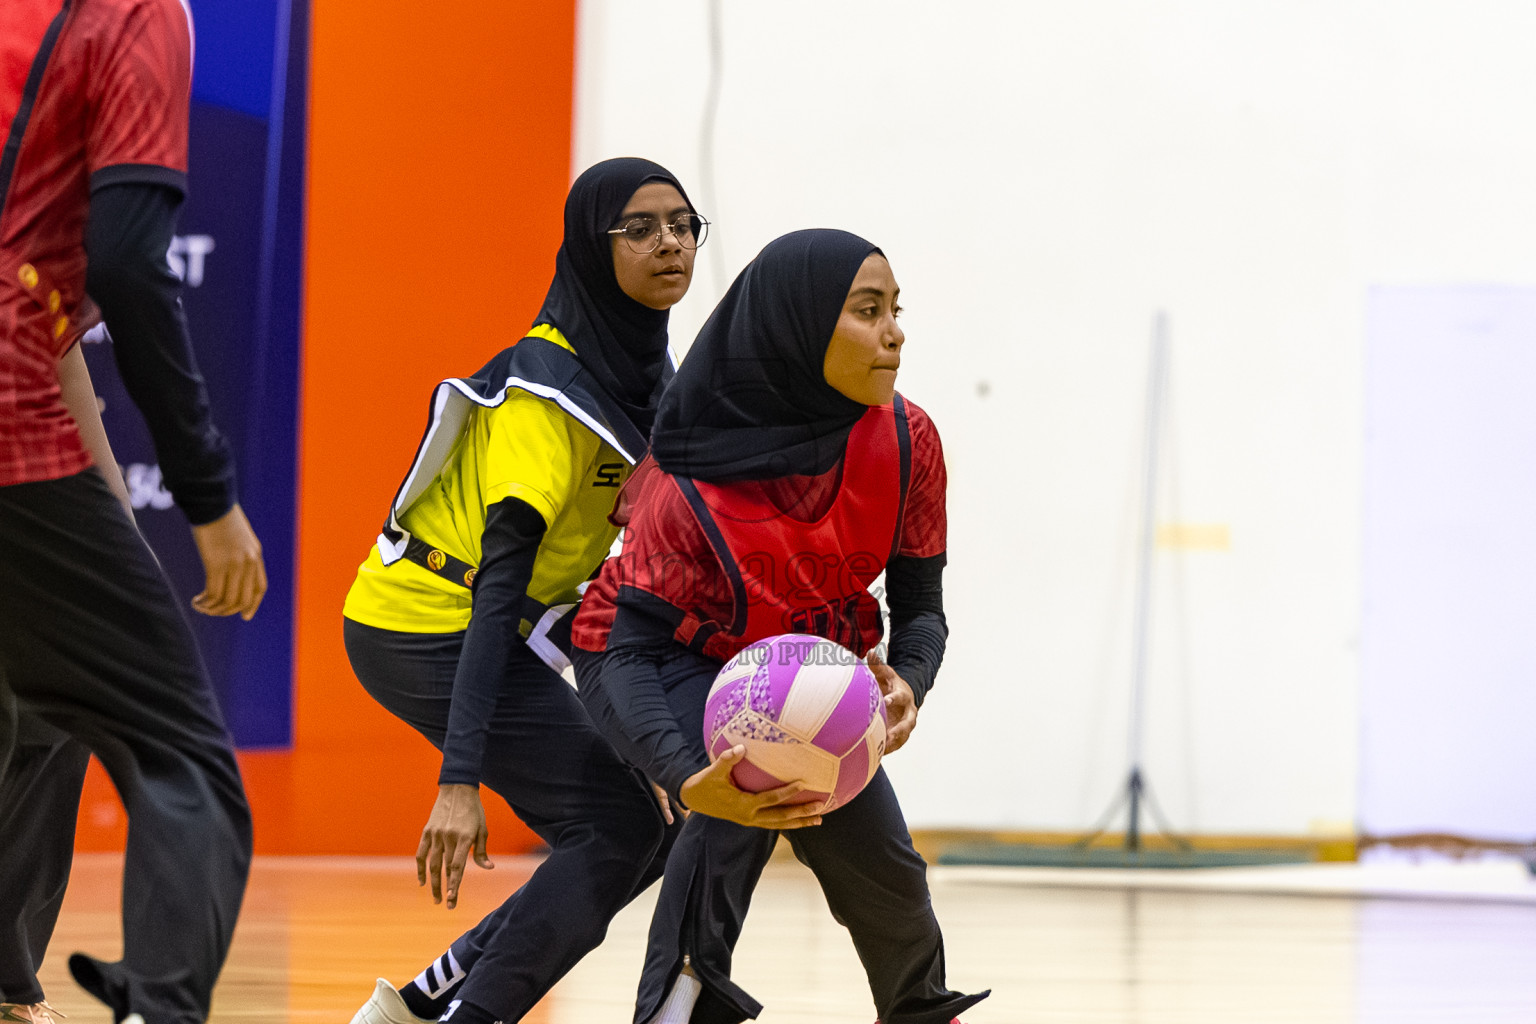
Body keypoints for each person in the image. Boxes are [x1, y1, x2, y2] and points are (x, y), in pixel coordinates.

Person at [570, 229, 989, 1024]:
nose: (895, 331)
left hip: (798, 665)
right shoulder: (689, 475)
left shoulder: (908, 440)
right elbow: (624, 649)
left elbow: (922, 603)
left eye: (897, 310)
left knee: (886, 866)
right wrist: (683, 775)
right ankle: (675, 1007)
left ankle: (922, 1009)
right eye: (869, 311)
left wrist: (911, 679)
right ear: (797, 328)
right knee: (732, 811)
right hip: (653, 655)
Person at [341, 157, 706, 1024]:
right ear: (592, 247)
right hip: (423, 624)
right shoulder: (549, 394)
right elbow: (498, 591)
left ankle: (436, 993)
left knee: (657, 819)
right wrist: (457, 782)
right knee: (621, 827)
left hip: (504, 631)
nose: (670, 244)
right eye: (641, 228)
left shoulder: (645, 377)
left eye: (684, 225)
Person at [0, 3, 268, 1024]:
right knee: (181, 757)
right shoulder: (137, 16)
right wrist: (207, 500)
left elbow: (55, 332)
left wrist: (108, 524)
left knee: (37, 711)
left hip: (27, 420)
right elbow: (122, 261)